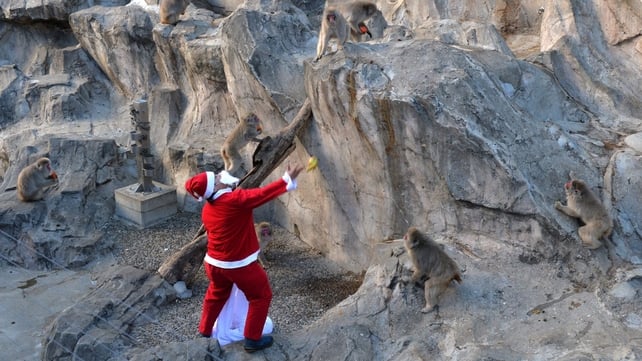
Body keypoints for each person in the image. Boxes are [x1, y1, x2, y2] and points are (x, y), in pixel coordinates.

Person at [184, 164, 304, 353]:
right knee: (261, 296)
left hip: (214, 264)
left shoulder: (208, 209)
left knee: (215, 296)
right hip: (239, 266)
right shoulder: (235, 200)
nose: (220, 176)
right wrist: (286, 180)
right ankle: (252, 339)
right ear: (214, 188)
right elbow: (261, 194)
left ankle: (204, 333)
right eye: (216, 178)